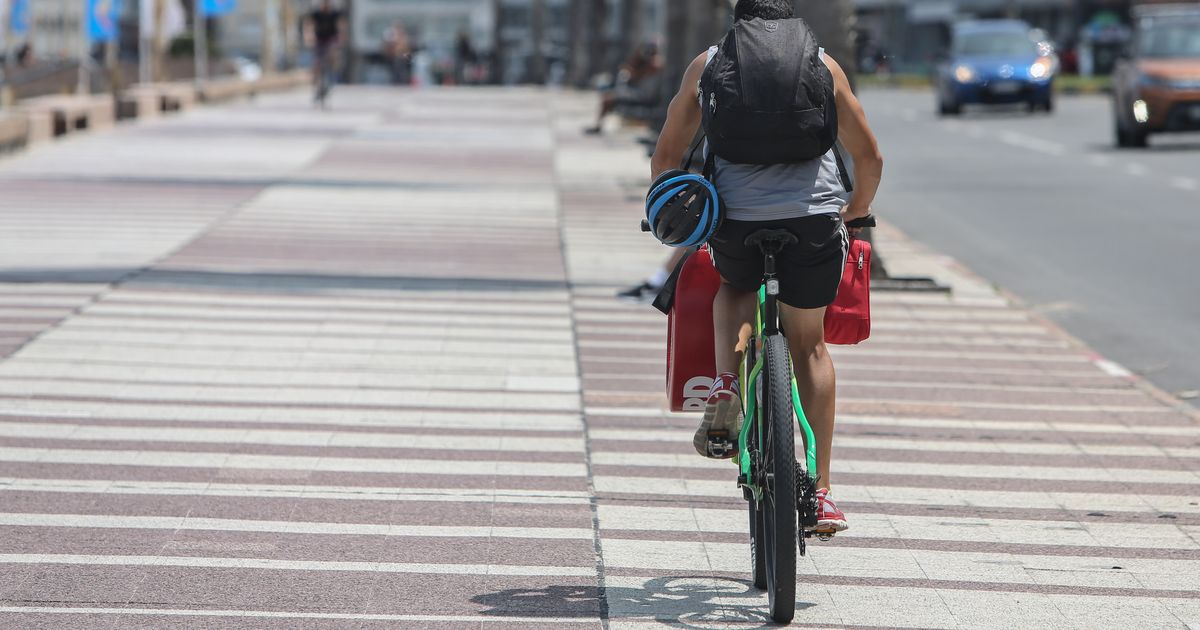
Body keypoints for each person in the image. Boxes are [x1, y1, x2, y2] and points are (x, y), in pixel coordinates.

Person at [650, 0, 883, 534]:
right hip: (813, 224)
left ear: (739, 19)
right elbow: (869, 156)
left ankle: (727, 384)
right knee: (810, 345)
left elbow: (667, 155)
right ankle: (822, 493)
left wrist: (670, 204)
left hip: (738, 223)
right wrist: (857, 212)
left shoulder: (708, 65)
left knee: (733, 285)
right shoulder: (822, 64)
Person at [584, 42, 664, 135]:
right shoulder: (644, 62)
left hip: (643, 96)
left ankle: (598, 126)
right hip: (638, 93)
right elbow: (634, 75)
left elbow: (641, 78)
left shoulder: (655, 63)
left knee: (608, 99)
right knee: (608, 95)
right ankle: (598, 126)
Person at [304, 0, 346, 103]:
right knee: (316, 63)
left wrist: (342, 37)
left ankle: (332, 73)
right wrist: (308, 37)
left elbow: (342, 25)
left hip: (331, 40)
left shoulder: (335, 14)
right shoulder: (316, 14)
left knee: (333, 55)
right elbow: (308, 24)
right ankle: (317, 87)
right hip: (319, 40)